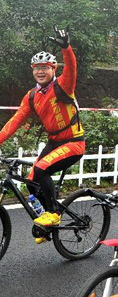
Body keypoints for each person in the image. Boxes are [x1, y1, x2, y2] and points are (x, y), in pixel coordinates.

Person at [0, 26, 85, 242]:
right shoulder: (32, 96)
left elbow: (72, 69)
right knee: (31, 181)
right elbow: (16, 121)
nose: (40, 71)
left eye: (45, 67)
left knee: (40, 169)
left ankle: (54, 214)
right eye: (36, 67)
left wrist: (66, 48)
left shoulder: (63, 86)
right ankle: (48, 220)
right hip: (54, 142)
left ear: (53, 68)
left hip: (73, 143)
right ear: (32, 70)